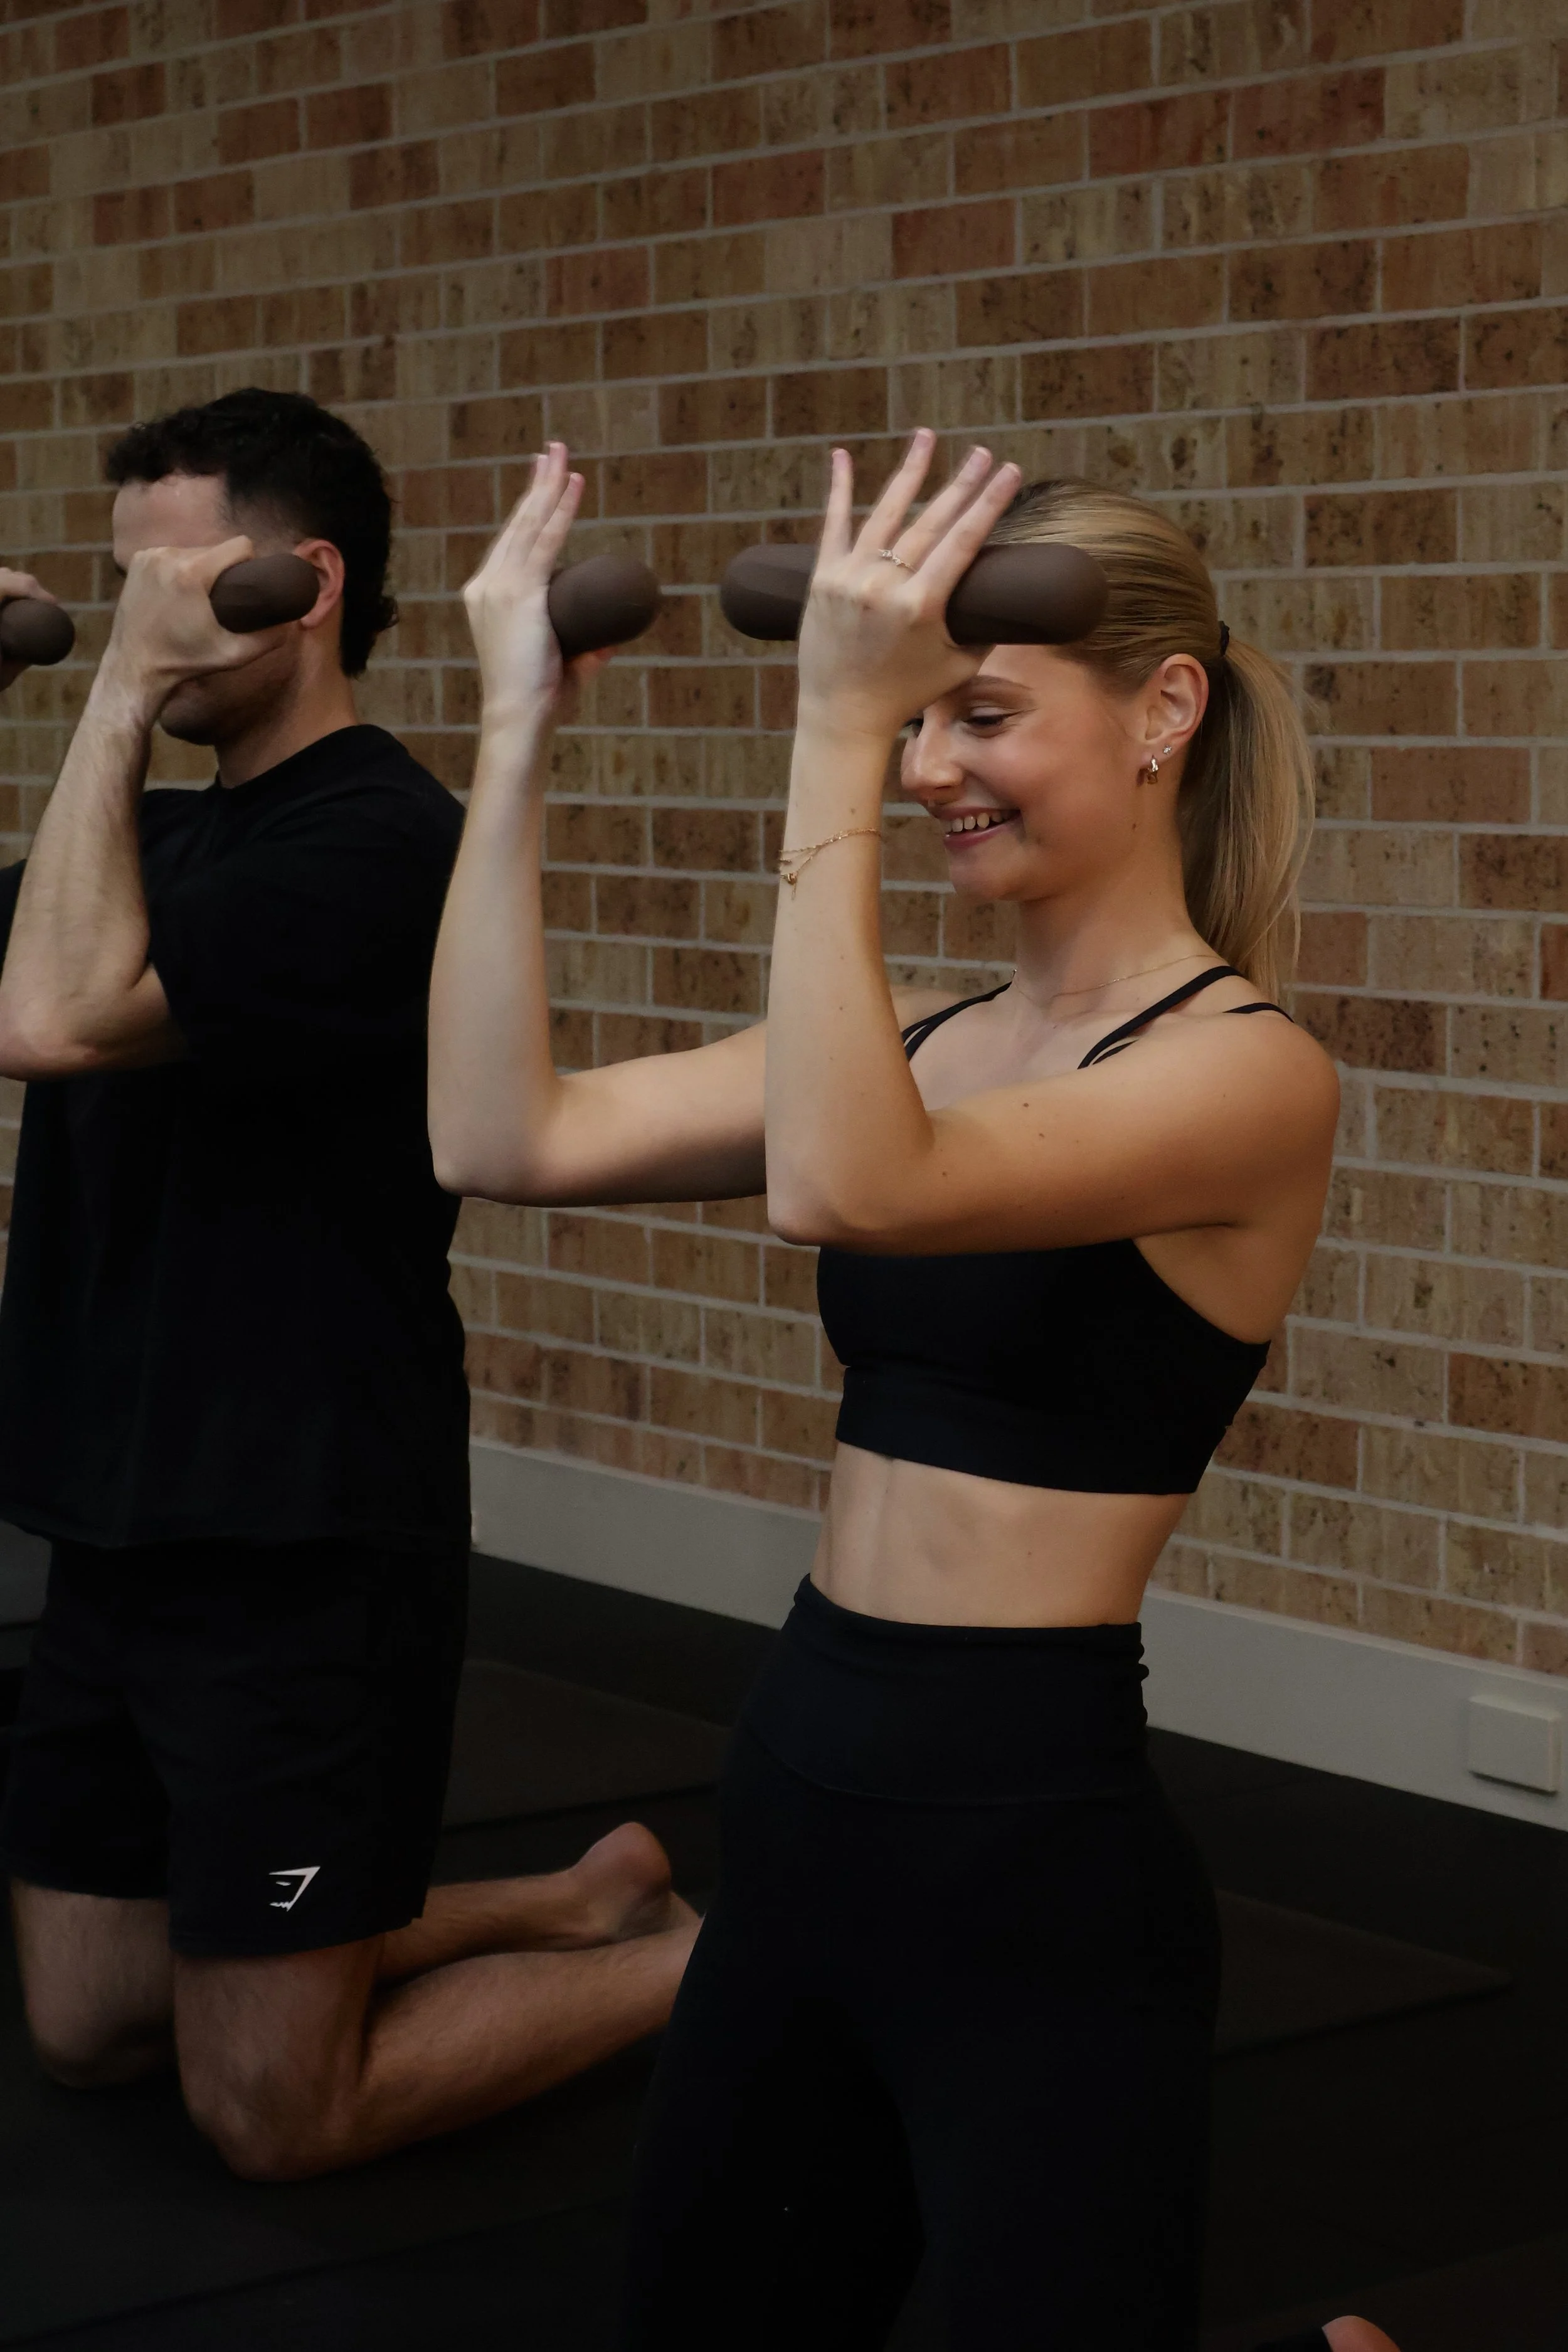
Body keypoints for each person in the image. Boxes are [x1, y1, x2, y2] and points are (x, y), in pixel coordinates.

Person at [430, 440, 1396, 2349]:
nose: (933, 762)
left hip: (1021, 1850)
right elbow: (495, 1126)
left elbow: (848, 1187)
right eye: (918, 718)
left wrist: (834, 735)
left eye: (982, 712)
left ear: (1161, 713)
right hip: (796, 1795)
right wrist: (516, 732)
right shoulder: (935, 1044)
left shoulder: (1246, 1075)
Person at [0, 389, 695, 2185]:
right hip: (116, 1527)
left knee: (273, 2106)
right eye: (124, 579)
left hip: (294, 1545)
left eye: (172, 573)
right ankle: (570, 1894)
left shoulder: (382, 845)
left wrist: (109, 690)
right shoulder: (145, 846)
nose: (140, 608)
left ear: (295, 586)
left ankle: (731, 1961)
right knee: (87, 2023)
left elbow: (55, 1020)